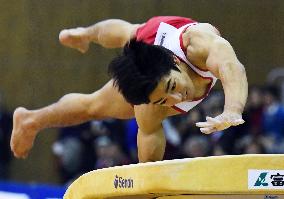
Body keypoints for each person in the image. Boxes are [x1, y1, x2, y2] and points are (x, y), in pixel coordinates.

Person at [10, 16, 248, 163]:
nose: (177, 98)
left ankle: (86, 33)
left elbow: (232, 68)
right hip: (151, 64)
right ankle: (30, 120)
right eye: (163, 100)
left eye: (172, 86)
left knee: (132, 32)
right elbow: (149, 149)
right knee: (93, 106)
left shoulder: (199, 45)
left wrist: (233, 109)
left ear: (176, 63)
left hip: (160, 33)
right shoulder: (150, 105)